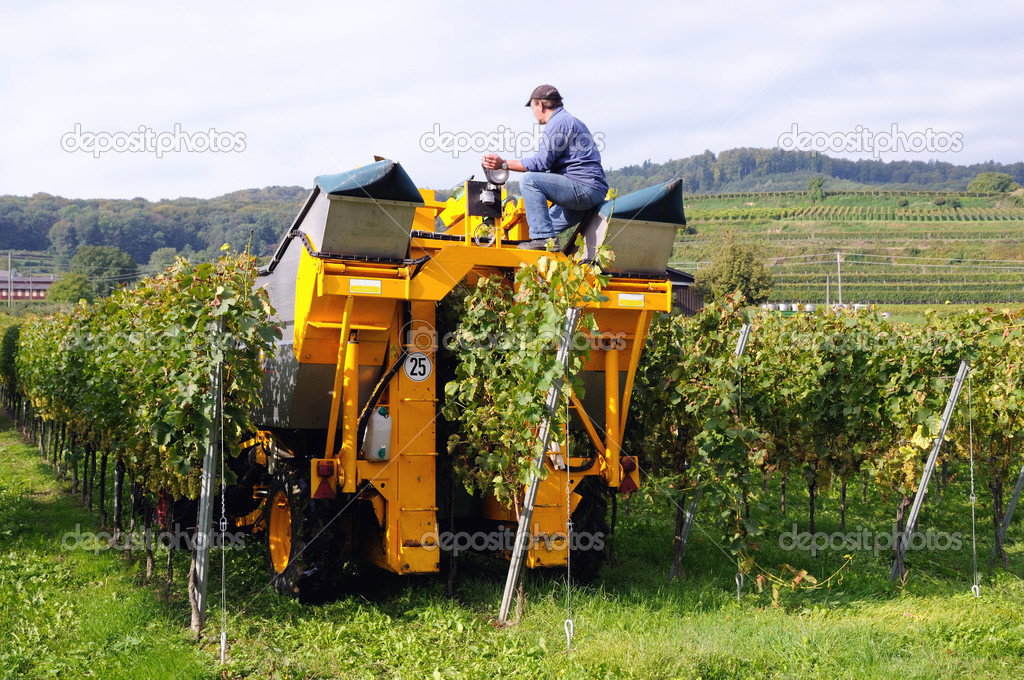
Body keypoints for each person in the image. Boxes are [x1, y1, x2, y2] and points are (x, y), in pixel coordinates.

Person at [481, 85, 609, 250]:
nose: (534, 114)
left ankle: (542, 240)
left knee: (529, 181)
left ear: (540, 105)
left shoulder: (559, 122)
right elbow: (549, 168)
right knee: (546, 226)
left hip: (583, 190)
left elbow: (540, 165)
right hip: (591, 194)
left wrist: (503, 164)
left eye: (533, 108)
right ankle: (546, 249)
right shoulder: (570, 121)